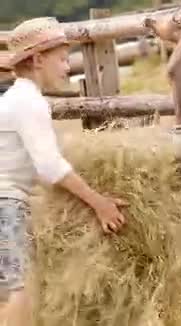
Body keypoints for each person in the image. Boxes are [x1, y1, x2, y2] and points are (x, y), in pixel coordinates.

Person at [0, 17, 127, 325]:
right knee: (21, 293)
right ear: (38, 59)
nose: (68, 67)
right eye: (62, 59)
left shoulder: (14, 99)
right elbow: (49, 166)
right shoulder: (29, 102)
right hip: (6, 206)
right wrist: (100, 204)